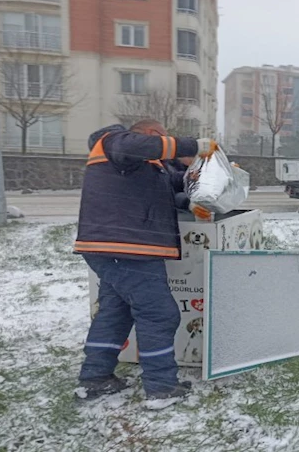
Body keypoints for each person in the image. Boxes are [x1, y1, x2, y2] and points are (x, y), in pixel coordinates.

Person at [74, 119, 212, 401]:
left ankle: (95, 379)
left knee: (115, 312)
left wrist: (190, 200)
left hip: (118, 249)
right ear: (153, 134)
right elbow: (140, 146)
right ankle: (161, 388)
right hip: (127, 249)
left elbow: (169, 189)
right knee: (159, 313)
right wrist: (195, 147)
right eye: (164, 137)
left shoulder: (144, 166)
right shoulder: (115, 141)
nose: (167, 143)